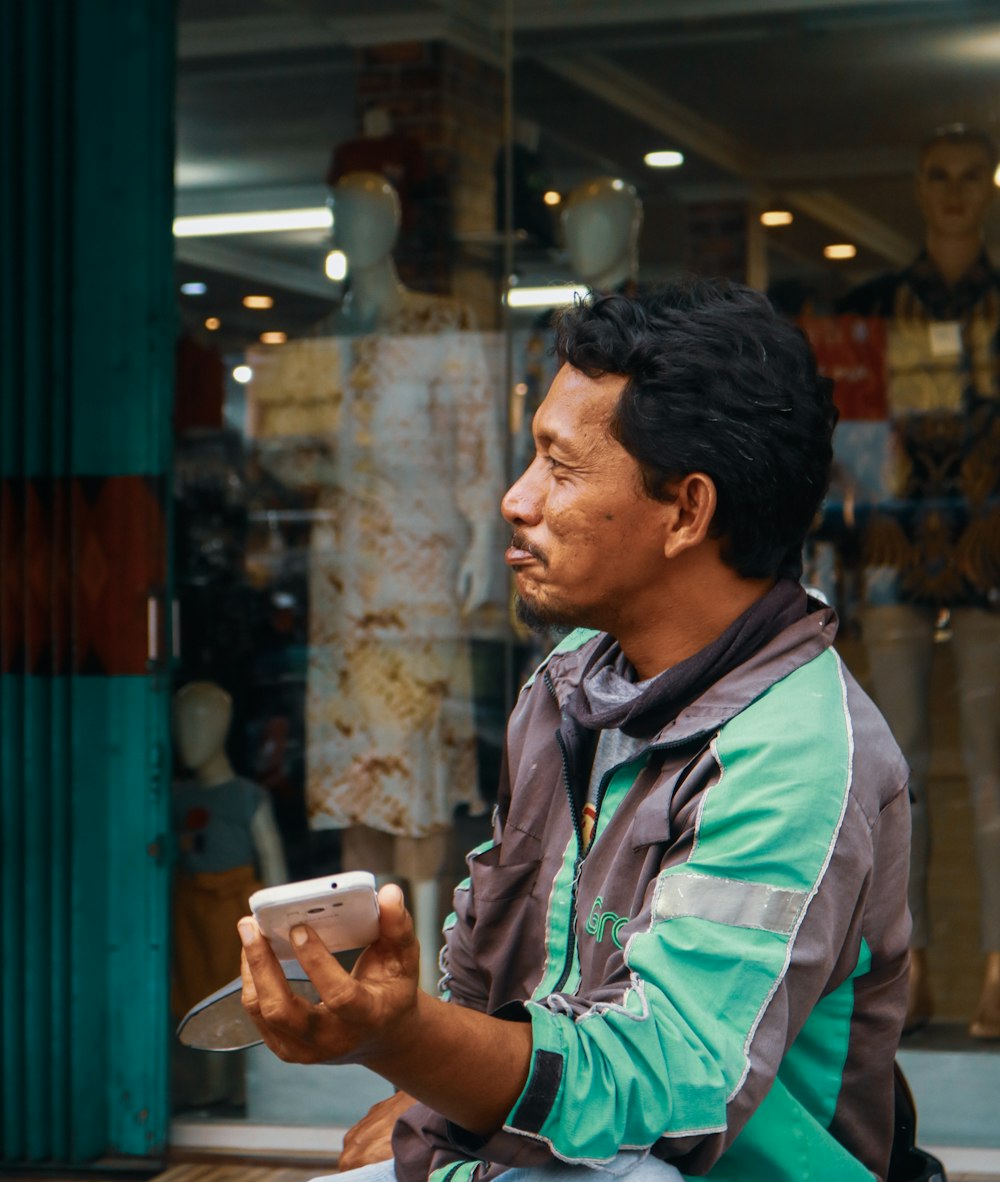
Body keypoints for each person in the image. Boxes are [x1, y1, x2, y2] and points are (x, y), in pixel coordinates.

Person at [237, 280, 910, 1182]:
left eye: (560, 467)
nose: (516, 501)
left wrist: (407, 1040)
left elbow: (668, 1092)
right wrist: (430, 1084)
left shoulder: (795, 751)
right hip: (527, 1155)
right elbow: (486, 970)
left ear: (686, 511)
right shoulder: (571, 681)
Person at [837, 123, 1000, 1038]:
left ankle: (994, 968)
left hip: (989, 562)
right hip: (899, 560)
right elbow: (850, 448)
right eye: (938, 175)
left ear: (990, 187)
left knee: (992, 775)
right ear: (917, 184)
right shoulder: (874, 309)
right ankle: (914, 969)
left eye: (970, 176)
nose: (953, 191)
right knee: (897, 780)